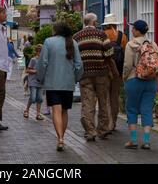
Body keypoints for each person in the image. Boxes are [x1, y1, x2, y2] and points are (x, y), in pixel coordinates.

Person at [38, 22, 83, 151]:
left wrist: (40, 78)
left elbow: (43, 62)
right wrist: (75, 78)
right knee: (64, 111)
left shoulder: (48, 42)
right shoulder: (73, 43)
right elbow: (79, 65)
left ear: (56, 30)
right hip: (68, 83)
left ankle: (60, 139)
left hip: (52, 83)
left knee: (56, 110)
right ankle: (62, 137)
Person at [123, 20, 158, 150]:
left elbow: (127, 65)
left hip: (134, 80)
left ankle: (133, 140)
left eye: (133, 28)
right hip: (151, 81)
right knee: (147, 109)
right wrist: (154, 75)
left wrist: (125, 77)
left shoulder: (130, 44)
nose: (131, 30)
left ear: (136, 30)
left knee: (132, 109)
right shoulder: (153, 44)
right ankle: (146, 141)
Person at [74, 13, 114, 142]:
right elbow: (109, 52)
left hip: (85, 75)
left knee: (87, 103)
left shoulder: (76, 37)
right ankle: (103, 130)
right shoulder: (101, 35)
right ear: (94, 22)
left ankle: (90, 131)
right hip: (101, 73)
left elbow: (73, 56)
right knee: (104, 102)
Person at [102, 13, 128, 132]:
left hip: (105, 70)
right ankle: (114, 122)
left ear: (106, 25)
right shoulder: (123, 37)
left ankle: (108, 123)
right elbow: (125, 55)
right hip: (118, 71)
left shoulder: (103, 35)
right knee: (114, 97)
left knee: (106, 97)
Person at [23, 44, 44, 120]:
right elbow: (27, 70)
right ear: (36, 52)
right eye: (39, 51)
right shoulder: (33, 60)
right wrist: (34, 71)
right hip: (33, 81)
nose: (40, 53)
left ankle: (38, 114)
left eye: (42, 51)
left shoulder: (44, 61)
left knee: (40, 98)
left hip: (41, 82)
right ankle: (26, 110)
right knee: (33, 97)